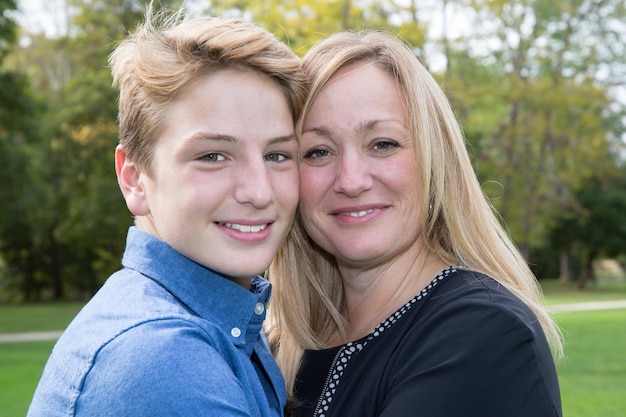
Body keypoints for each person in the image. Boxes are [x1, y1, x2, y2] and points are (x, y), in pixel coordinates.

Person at [266, 30, 563, 417]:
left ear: (433, 160)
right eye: (318, 151)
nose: (352, 181)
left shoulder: (480, 332)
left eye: (383, 144)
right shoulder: (283, 346)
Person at [27, 7, 305, 417]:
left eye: (277, 154)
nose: (259, 192)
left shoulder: (218, 321)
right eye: (213, 156)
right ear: (135, 180)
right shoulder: (164, 358)